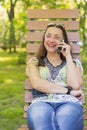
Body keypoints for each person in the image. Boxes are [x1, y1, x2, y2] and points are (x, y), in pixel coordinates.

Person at [27, 23, 84, 130]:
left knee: (64, 125)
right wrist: (69, 91)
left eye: (56, 37)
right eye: (48, 36)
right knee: (41, 124)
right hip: (40, 102)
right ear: (44, 39)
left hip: (69, 103)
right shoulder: (34, 62)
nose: (51, 40)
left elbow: (75, 85)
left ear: (63, 42)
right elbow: (37, 84)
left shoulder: (73, 63)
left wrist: (67, 56)